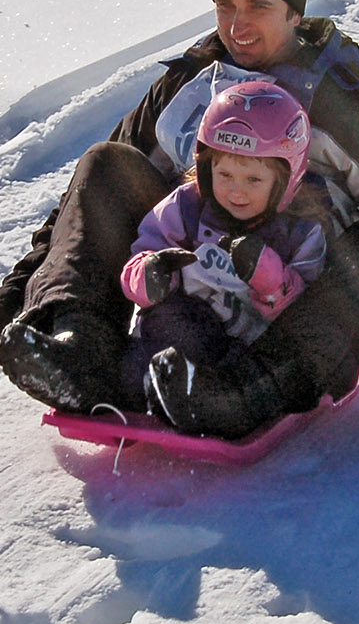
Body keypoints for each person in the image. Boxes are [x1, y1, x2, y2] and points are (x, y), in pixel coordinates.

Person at [0, 0, 359, 438]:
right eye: (225, 5)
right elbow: (93, 194)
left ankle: (243, 393)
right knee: (107, 160)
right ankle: (81, 351)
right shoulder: (190, 81)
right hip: (190, 294)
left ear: (295, 12)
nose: (237, 25)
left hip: (302, 303)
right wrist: (31, 282)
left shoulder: (350, 101)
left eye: (258, 6)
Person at [118, 80, 328, 428]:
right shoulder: (185, 206)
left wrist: (271, 279)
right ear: (205, 167)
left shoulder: (300, 233)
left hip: (244, 354)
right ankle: (117, 386)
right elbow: (137, 262)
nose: (236, 192)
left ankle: (194, 398)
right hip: (177, 333)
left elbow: (308, 313)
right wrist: (150, 275)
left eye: (253, 180)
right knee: (153, 339)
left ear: (286, 179)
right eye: (225, 174)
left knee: (239, 365)